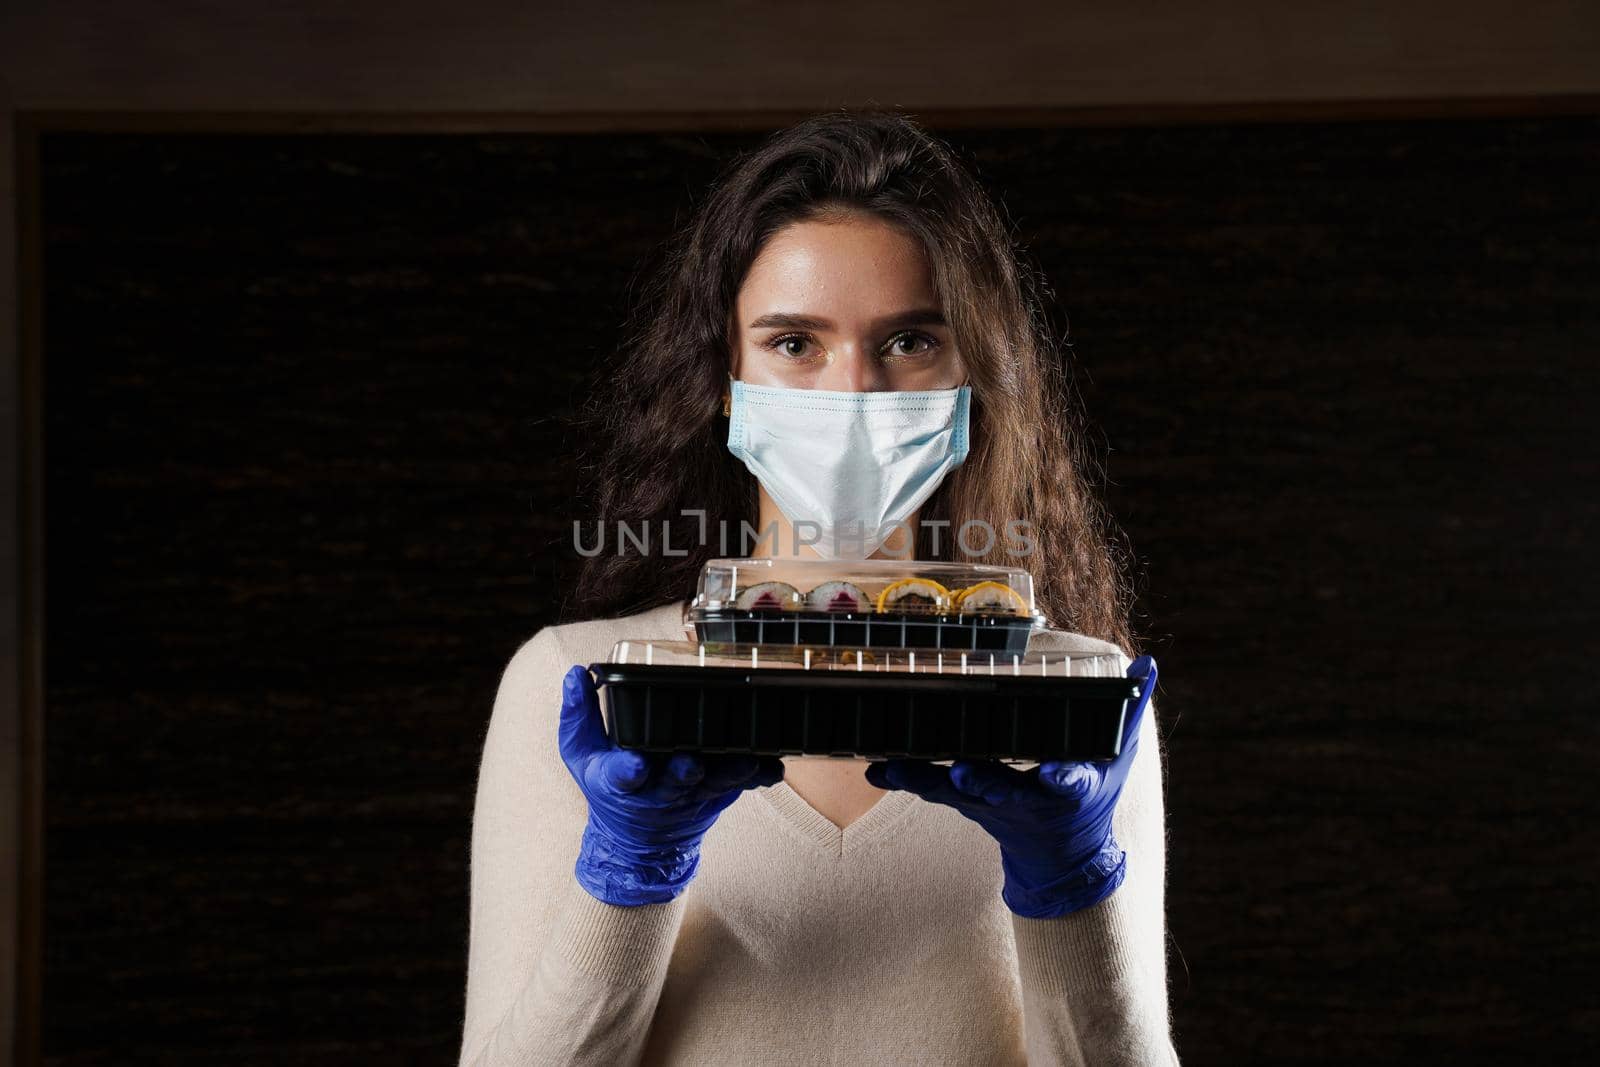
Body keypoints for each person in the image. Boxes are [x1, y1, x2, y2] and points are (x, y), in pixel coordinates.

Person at [458, 109, 1180, 1066]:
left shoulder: (1074, 703)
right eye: (795, 343)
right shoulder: (584, 685)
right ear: (724, 373)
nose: (854, 392)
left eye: (909, 340)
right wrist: (624, 874)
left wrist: (1074, 884)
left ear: (976, 369)